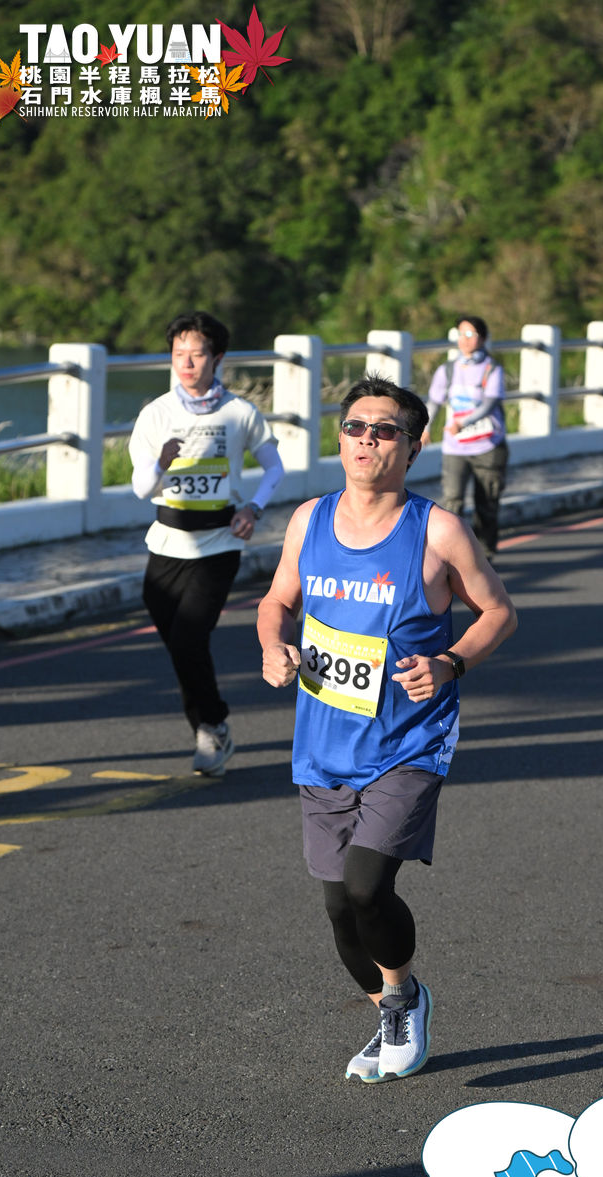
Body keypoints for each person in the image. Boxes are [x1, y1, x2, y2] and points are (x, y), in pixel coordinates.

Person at [257, 372, 516, 1081]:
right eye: (355, 427)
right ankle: (396, 1004)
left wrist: (449, 663)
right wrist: (272, 646)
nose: (366, 440)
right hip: (322, 746)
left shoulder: (436, 531)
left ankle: (401, 1001)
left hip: (409, 742)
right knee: (341, 911)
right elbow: (277, 601)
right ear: (340, 438)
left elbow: (498, 612)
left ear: (413, 445)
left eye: (384, 430)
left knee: (368, 886)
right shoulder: (309, 520)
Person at [129, 310, 284, 776]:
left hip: (219, 544)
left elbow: (274, 468)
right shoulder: (156, 414)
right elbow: (141, 489)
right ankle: (209, 724)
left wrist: (252, 508)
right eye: (179, 354)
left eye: (197, 354)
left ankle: (212, 726)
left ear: (217, 358)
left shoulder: (239, 413)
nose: (187, 363)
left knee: (188, 640)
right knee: (183, 649)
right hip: (165, 544)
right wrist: (162, 461)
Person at [423, 315, 507, 559]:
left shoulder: (492, 369)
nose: (464, 339)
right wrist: (425, 427)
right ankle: (452, 555)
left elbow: (490, 404)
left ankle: (484, 555)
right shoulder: (447, 370)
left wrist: (463, 422)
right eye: (461, 334)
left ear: (482, 338)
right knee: (452, 502)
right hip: (455, 447)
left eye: (470, 334)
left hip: (488, 446)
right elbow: (434, 402)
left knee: (487, 503)